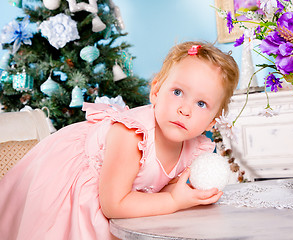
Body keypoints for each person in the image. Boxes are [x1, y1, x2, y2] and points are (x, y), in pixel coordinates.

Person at [0, 41, 239, 240]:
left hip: (119, 192)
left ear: (211, 122)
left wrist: (185, 193)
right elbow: (114, 204)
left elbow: (158, 187)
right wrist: (174, 200)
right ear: (156, 92)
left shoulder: (195, 147)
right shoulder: (131, 134)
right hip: (73, 183)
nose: (185, 109)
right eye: (177, 92)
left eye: (201, 104)